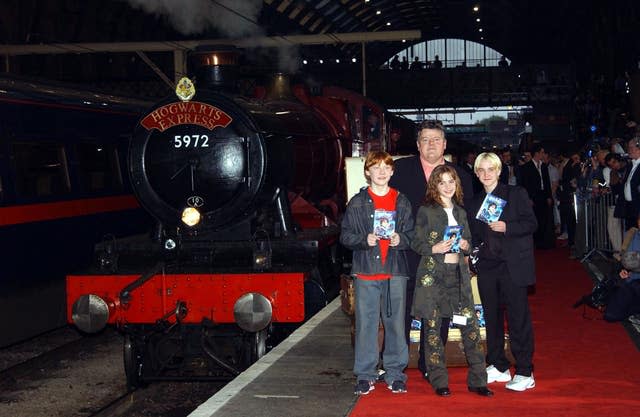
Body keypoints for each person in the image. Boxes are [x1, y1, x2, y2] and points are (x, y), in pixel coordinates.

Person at [389, 119, 474, 380]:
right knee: (401, 310)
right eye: (425, 140)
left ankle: (430, 362)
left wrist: (468, 251)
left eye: (436, 140)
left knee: (441, 312)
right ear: (417, 145)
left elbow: (467, 216)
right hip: (407, 254)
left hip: (446, 258)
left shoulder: (461, 175)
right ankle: (394, 363)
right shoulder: (399, 170)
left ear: (445, 144)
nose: (431, 145)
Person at [411, 165, 492, 397]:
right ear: (434, 186)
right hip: (434, 276)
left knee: (471, 328)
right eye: (442, 182)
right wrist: (433, 247)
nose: (447, 186)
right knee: (433, 329)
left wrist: (467, 246)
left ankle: (478, 380)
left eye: (451, 182)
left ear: (457, 185)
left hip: (458, 277)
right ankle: (439, 380)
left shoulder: (460, 212)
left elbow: (467, 240)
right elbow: (415, 242)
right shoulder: (426, 211)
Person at [340, 150, 414, 395]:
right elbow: (345, 236)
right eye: (376, 167)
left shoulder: (401, 201)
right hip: (366, 272)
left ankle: (395, 373)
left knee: (395, 326)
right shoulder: (357, 203)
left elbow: (412, 235)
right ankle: (365, 374)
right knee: (366, 326)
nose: (381, 172)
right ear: (367, 172)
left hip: (394, 272)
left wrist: (399, 239)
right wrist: (364, 239)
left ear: (392, 172)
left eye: (386, 167)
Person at [469, 152, 538, 392]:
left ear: (499, 171)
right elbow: (475, 235)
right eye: (482, 170)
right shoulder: (475, 201)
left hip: (512, 266)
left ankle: (525, 370)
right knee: (492, 318)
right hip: (488, 267)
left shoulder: (515, 194)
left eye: (491, 169)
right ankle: (498, 365)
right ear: (477, 174)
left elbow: (532, 223)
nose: (487, 174)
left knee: (518, 318)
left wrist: (507, 226)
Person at [605, 214, 640, 322]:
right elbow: (624, 262)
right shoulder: (632, 235)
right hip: (632, 282)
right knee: (611, 315)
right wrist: (622, 272)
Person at [519, 144, 555, 249]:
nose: (543, 155)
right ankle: (535, 241)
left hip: (544, 195)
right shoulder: (526, 167)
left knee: (545, 219)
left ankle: (544, 242)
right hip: (533, 196)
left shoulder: (544, 166)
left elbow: (547, 182)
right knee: (534, 219)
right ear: (537, 153)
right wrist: (528, 198)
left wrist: (549, 196)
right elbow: (524, 184)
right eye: (542, 152)